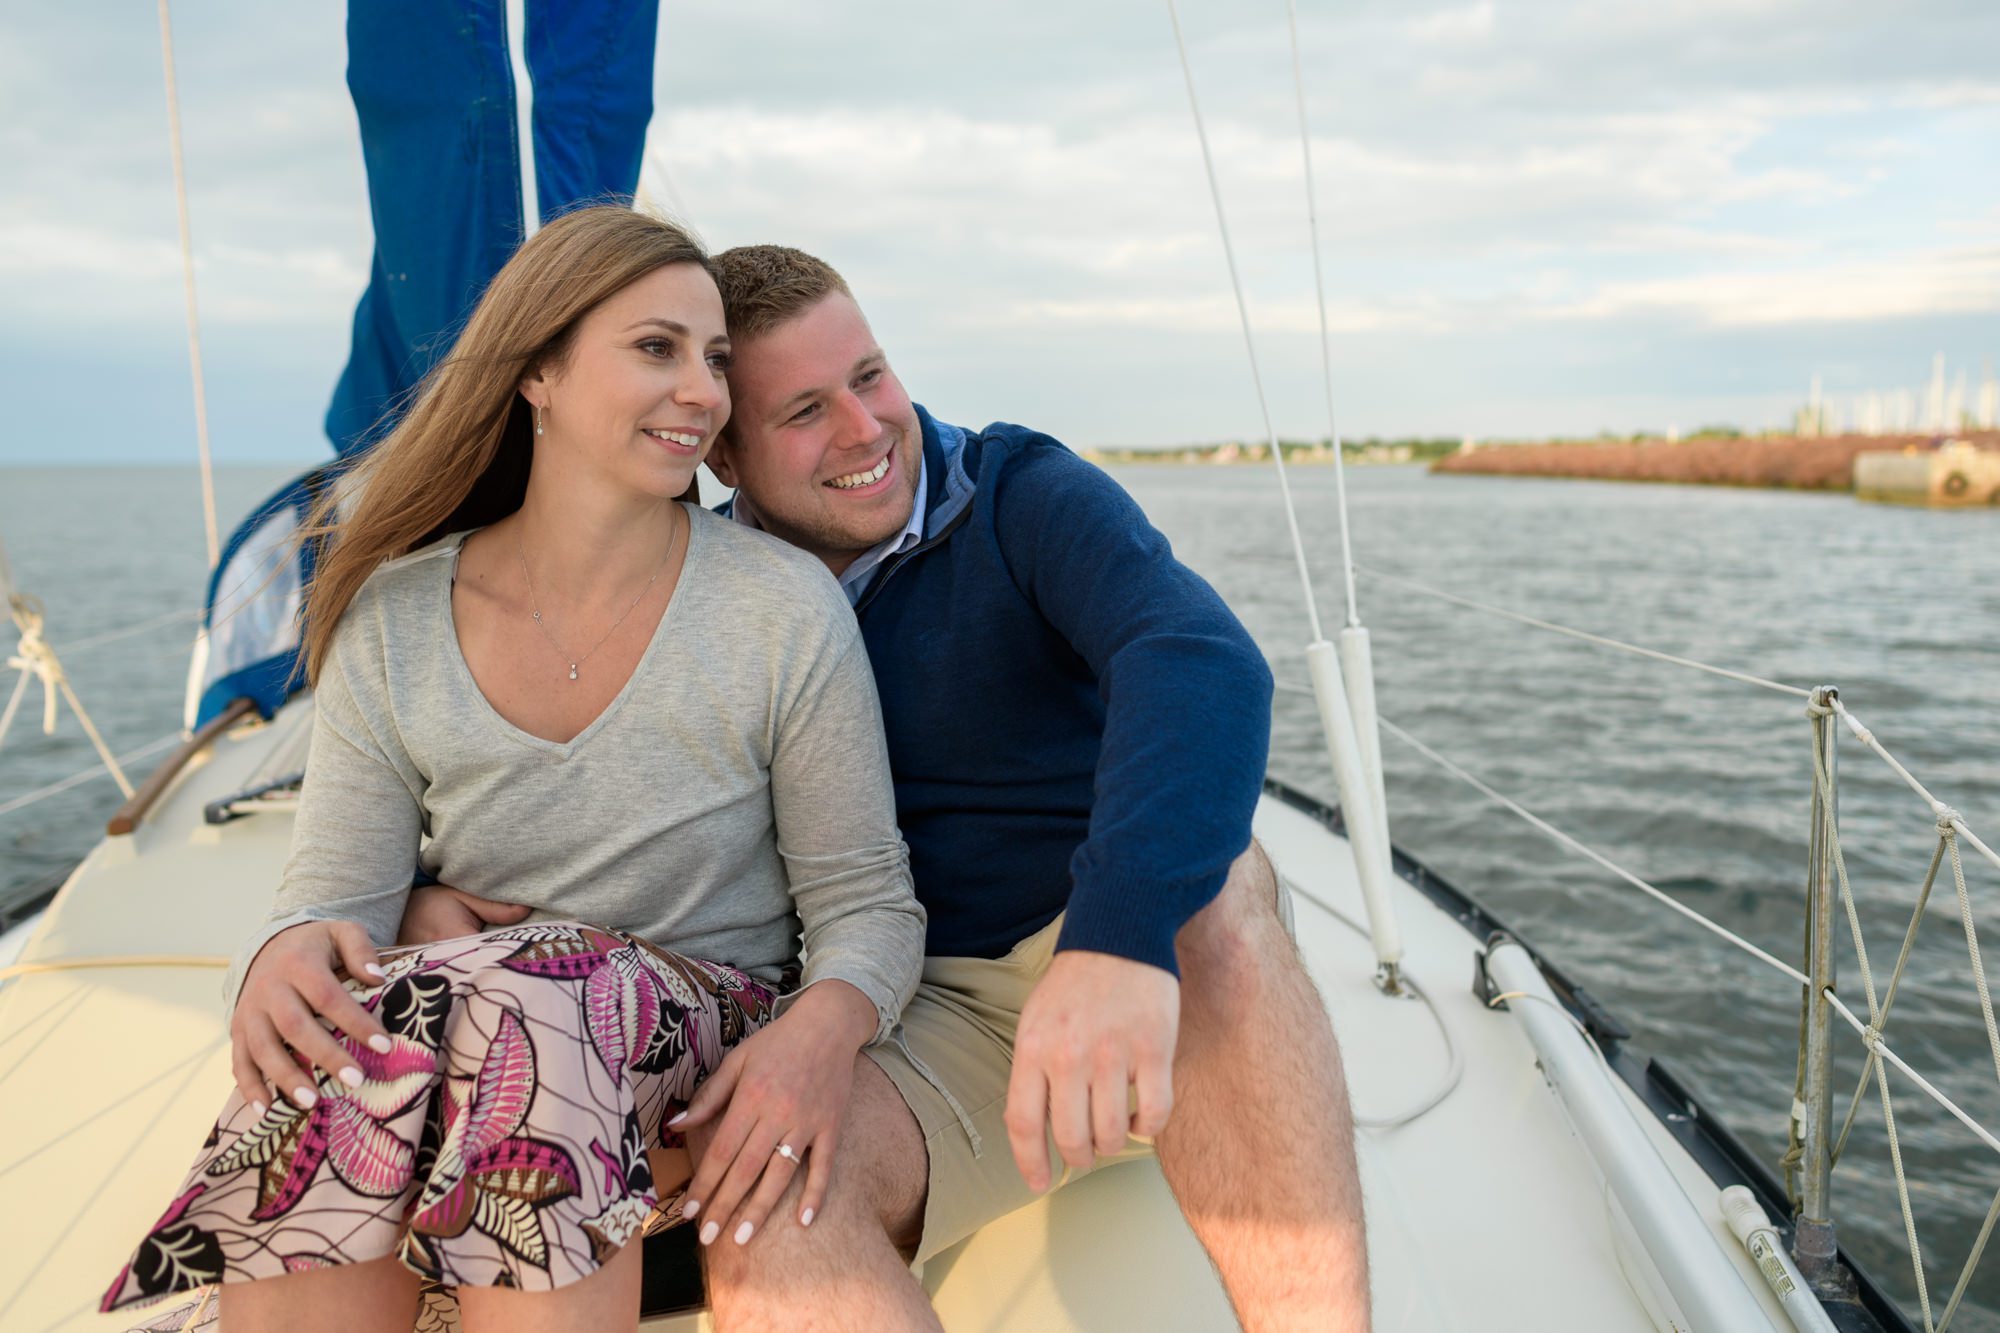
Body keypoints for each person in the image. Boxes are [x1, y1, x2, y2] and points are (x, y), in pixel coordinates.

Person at [408, 244, 1371, 1330]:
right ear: (722, 451)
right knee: (766, 1208)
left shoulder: (1020, 494)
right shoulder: (707, 597)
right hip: (921, 1013)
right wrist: (429, 899)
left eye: (870, 375)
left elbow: (1195, 657)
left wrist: (1116, 934)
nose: (866, 429)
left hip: (1130, 943)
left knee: (1218, 898)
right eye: (806, 411)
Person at [99, 209, 926, 1333]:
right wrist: (281, 957)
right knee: (346, 1036)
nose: (701, 389)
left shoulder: (779, 608)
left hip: (703, 1040)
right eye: (656, 348)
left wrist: (813, 1046)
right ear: (537, 370)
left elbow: (866, 906)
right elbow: (331, 902)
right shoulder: (394, 619)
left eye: (714, 358)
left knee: (531, 997)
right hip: (478, 1023)